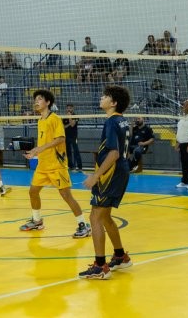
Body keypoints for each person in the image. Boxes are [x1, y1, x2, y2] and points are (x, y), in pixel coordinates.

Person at [21, 89, 91, 238]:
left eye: (39, 99)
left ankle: (83, 225)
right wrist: (34, 152)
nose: (36, 102)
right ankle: (37, 220)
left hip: (56, 166)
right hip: (43, 166)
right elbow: (44, 143)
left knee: (66, 195)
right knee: (33, 192)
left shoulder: (55, 119)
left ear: (48, 102)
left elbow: (60, 139)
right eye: (35, 99)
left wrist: (40, 149)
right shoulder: (40, 120)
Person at [79, 85, 133, 280]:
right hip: (120, 172)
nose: (101, 98)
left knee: (95, 217)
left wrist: (96, 176)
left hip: (111, 173)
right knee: (105, 217)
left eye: (105, 96)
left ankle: (100, 266)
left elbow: (114, 153)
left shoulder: (111, 122)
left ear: (114, 102)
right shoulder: (122, 121)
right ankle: (120, 256)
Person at [63, 104, 82, 172]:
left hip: (74, 137)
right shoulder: (64, 117)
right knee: (68, 152)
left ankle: (79, 167)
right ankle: (71, 166)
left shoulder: (75, 116)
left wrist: (70, 117)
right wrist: (68, 124)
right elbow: (63, 127)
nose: (69, 109)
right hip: (66, 136)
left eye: (70, 108)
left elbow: (72, 124)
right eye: (67, 108)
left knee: (76, 151)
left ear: (72, 109)